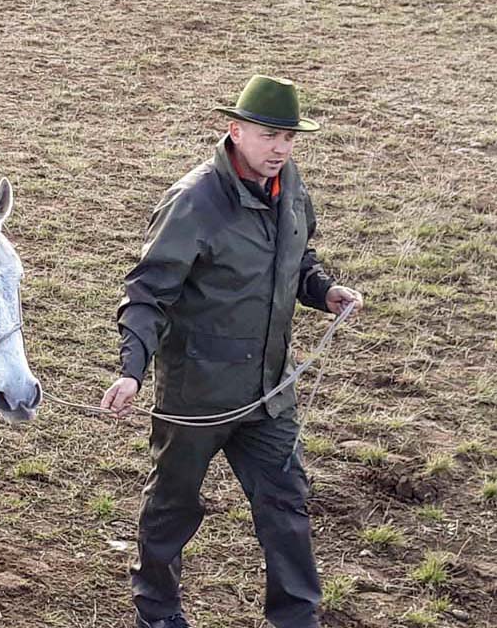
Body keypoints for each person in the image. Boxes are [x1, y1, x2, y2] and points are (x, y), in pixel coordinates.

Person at [101, 75, 364, 628]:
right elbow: (148, 293)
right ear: (235, 129)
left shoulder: (290, 188)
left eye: (290, 138)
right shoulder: (194, 201)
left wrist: (322, 290)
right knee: (173, 508)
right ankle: (158, 612)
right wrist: (131, 371)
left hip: (270, 391)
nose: (281, 149)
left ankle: (296, 619)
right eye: (270, 135)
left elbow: (298, 259)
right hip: (197, 395)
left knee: (286, 504)